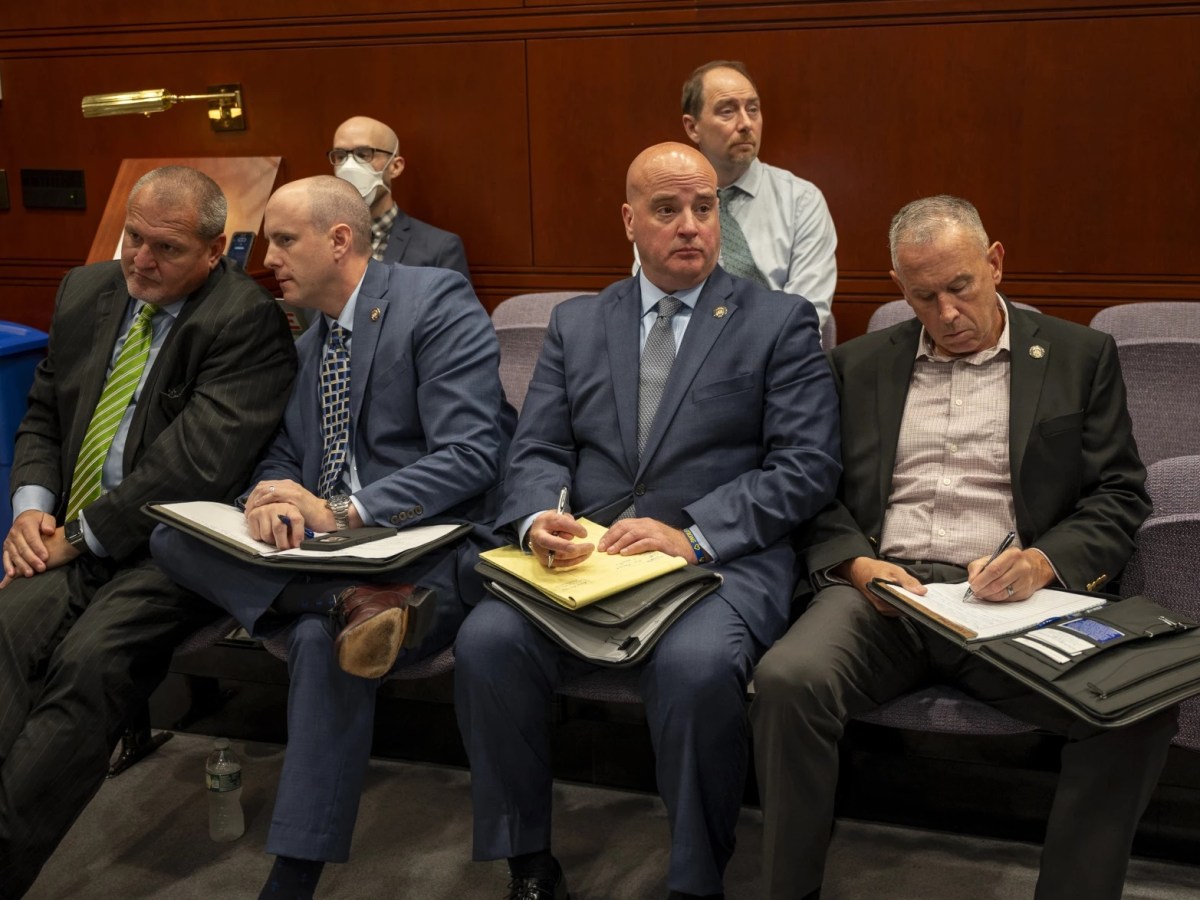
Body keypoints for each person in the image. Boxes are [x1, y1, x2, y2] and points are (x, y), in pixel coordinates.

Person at [750, 195, 1178, 900]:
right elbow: (813, 492)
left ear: (996, 263)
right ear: (899, 288)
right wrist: (855, 563)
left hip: (1016, 602)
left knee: (1136, 706)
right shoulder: (856, 367)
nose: (947, 314)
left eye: (961, 287)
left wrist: (1044, 562)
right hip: (884, 597)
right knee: (789, 679)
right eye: (924, 297)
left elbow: (1120, 494)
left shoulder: (1078, 356)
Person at [455, 142, 841, 900]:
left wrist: (692, 533)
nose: (691, 225)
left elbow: (807, 466)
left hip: (715, 564)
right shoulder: (577, 322)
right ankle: (526, 862)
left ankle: (695, 880)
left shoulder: (778, 322)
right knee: (487, 641)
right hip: (588, 561)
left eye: (703, 208)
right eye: (667, 210)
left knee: (694, 669)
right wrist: (539, 518)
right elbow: (539, 446)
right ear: (629, 221)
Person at [150, 175, 513, 900]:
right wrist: (268, 499)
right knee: (169, 539)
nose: (268, 259)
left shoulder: (432, 301)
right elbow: (288, 452)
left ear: (339, 239)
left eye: (284, 240)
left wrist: (344, 512)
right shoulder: (313, 339)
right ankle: (345, 599)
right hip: (340, 563)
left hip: (429, 546)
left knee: (320, 647)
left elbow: (473, 454)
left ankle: (293, 878)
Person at [0, 165, 297, 897]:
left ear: (214, 249)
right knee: (7, 632)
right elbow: (45, 414)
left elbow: (194, 465)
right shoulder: (85, 290)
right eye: (133, 237)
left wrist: (82, 533)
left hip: (172, 550)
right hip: (68, 535)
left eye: (164, 248)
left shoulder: (244, 321)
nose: (139, 259)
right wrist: (32, 510)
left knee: (90, 666)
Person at [639, 60, 838, 331]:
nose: (746, 123)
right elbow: (656, 301)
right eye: (727, 111)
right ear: (692, 127)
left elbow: (806, 312)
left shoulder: (801, 201)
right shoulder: (663, 205)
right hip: (686, 357)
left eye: (753, 109)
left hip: (776, 358)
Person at [329, 115, 471, 281]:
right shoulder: (319, 239)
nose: (349, 166)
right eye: (340, 156)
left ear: (395, 167)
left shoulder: (439, 248)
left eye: (364, 154)